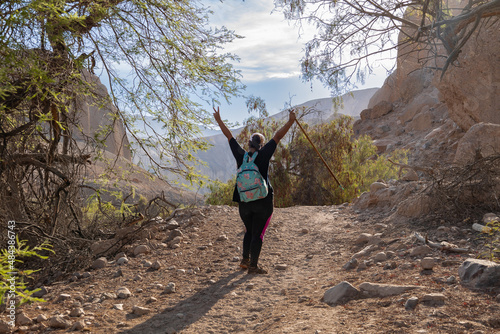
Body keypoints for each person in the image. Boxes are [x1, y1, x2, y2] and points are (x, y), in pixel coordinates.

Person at [213, 106, 296, 274]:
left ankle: (245, 260)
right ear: (261, 145)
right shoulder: (264, 153)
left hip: (244, 203)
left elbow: (228, 136)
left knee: (249, 231)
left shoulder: (240, 154)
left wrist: (219, 120)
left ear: (249, 143)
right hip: (263, 202)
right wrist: (290, 121)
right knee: (258, 233)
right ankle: (253, 266)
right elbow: (278, 136)